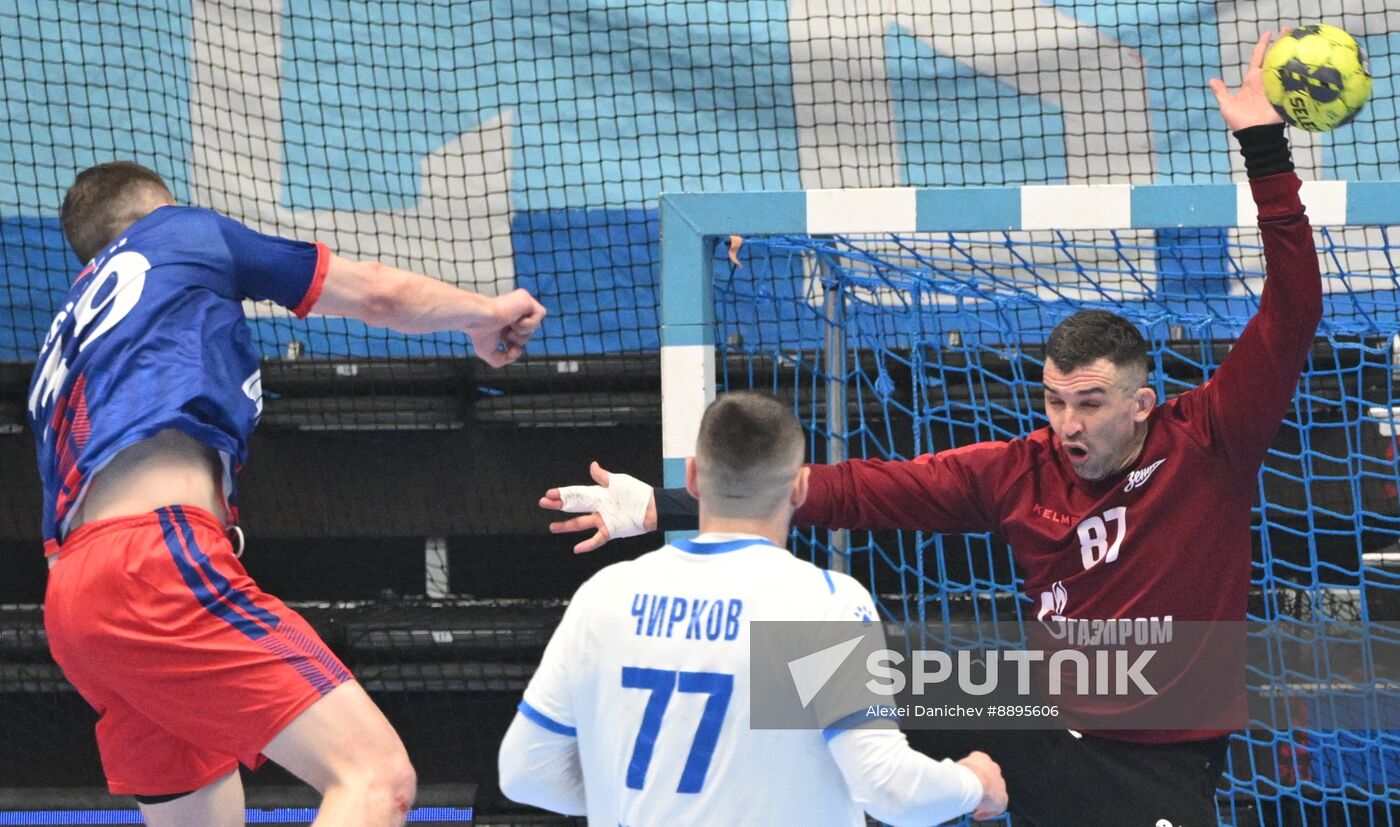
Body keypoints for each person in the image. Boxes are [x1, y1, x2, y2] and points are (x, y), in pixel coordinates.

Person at [540, 32, 1318, 826]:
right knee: (814, 663)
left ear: (1142, 402)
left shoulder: (1210, 439)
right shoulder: (1018, 469)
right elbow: (853, 491)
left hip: (1156, 764)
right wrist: (656, 507)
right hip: (1038, 723)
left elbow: (1294, 310)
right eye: (1053, 400)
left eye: (1088, 402)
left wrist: (1262, 144)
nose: (1067, 423)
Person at [31, 161, 546, 826]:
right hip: (154, 564)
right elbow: (379, 295)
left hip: (77, 606)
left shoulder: (63, 345)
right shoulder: (182, 235)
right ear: (158, 210)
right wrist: (486, 313)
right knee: (373, 776)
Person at [502, 391, 1007, 825]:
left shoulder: (605, 596)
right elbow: (888, 788)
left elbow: (526, 773)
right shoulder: (819, 604)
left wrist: (654, 801)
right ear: (802, 487)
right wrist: (974, 781)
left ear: (693, 477)